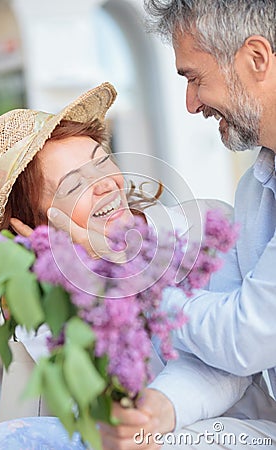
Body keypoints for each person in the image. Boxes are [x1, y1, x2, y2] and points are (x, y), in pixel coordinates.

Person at [0, 82, 249, 450]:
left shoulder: (203, 226)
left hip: (230, 432)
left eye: (101, 161)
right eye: (73, 186)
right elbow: (29, 412)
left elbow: (231, 364)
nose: (104, 185)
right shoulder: (44, 300)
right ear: (36, 226)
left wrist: (119, 264)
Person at [98, 1, 276, 449]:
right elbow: (229, 353)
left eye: (194, 78)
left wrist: (145, 289)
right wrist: (159, 408)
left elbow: (245, 336)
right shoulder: (256, 189)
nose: (191, 103)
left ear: (257, 58)